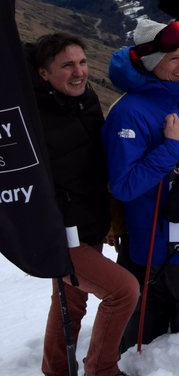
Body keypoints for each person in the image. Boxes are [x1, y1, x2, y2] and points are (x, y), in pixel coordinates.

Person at [102, 19, 179, 348]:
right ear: (155, 64)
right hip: (161, 239)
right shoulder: (130, 112)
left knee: (162, 308)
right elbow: (124, 186)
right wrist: (169, 148)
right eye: (175, 59)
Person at [29, 33, 139, 376]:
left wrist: (109, 221)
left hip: (88, 224)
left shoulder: (85, 99)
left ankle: (56, 370)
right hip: (58, 233)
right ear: (43, 74)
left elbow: (95, 168)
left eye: (82, 62)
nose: (79, 72)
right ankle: (102, 370)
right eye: (67, 65)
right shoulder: (31, 118)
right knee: (122, 291)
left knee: (70, 303)